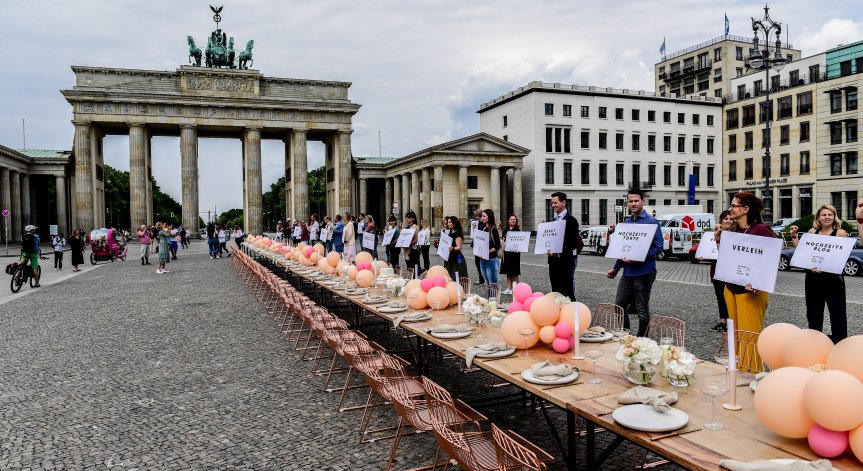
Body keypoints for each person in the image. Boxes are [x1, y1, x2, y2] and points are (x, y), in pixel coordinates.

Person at [714, 192, 775, 335]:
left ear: (745, 209)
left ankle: (749, 359)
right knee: (735, 335)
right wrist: (718, 239)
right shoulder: (734, 230)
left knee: (748, 335)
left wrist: (757, 282)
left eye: (734, 206)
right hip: (731, 288)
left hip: (750, 290)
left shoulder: (761, 229)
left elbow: (771, 260)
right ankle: (737, 358)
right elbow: (726, 257)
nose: (731, 209)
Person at [606, 189, 663, 336]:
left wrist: (639, 257)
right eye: (630, 201)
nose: (633, 204)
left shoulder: (652, 221)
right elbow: (623, 249)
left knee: (642, 309)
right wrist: (616, 268)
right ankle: (626, 336)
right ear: (627, 203)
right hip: (628, 272)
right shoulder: (626, 222)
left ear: (643, 202)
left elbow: (659, 248)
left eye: (636, 201)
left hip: (645, 272)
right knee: (619, 305)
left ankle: (641, 340)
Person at [790, 205, 849, 342]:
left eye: (830, 215)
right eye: (824, 215)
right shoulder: (812, 231)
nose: (827, 217)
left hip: (833, 280)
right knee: (813, 314)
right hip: (813, 278)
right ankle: (814, 345)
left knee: (837, 315)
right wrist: (794, 236)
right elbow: (802, 252)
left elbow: (842, 257)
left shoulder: (840, 233)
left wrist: (825, 266)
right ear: (818, 218)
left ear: (834, 217)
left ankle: (839, 345)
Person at [546, 192, 581, 302]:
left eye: (555, 203)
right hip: (553, 262)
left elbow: (573, 243)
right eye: (552, 203)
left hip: (565, 262)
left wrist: (559, 252)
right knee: (555, 292)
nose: (553, 205)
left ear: (563, 202)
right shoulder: (553, 221)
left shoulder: (571, 221)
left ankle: (573, 316)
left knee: (567, 293)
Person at [707, 210, 734, 332]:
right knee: (720, 295)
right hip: (716, 268)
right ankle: (723, 321)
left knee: (729, 296)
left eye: (731, 219)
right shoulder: (714, 233)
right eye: (726, 219)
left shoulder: (735, 235)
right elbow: (707, 249)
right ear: (721, 221)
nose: (728, 221)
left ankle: (732, 321)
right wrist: (703, 255)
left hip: (729, 270)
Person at [478, 209, 502, 295]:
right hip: (483, 259)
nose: (482, 218)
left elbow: (497, 246)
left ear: (489, 217)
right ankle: (489, 299)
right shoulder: (484, 228)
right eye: (482, 216)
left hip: (491, 260)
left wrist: (486, 252)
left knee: (492, 283)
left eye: (484, 216)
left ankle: (493, 301)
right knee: (487, 282)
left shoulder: (493, 229)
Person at [500, 214, 521, 295]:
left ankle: (515, 289)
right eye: (511, 219)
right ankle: (509, 288)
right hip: (507, 253)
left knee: (514, 272)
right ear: (508, 221)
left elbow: (520, 242)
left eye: (514, 219)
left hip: (514, 254)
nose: (513, 220)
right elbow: (502, 237)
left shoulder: (517, 230)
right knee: (508, 272)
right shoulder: (506, 229)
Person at [402, 211, 420, 276]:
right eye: (406, 217)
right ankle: (410, 279)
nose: (407, 219)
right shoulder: (407, 227)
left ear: (413, 218)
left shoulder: (414, 227)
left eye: (409, 217)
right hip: (406, 250)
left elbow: (416, 239)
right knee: (408, 266)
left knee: (413, 268)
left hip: (412, 250)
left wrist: (408, 244)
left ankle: (413, 280)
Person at [471, 210, 485, 285]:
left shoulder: (482, 224)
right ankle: (481, 278)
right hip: (478, 244)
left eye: (476, 215)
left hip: (480, 245)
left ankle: (482, 279)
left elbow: (479, 234)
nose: (475, 217)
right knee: (477, 263)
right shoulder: (479, 223)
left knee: (480, 263)